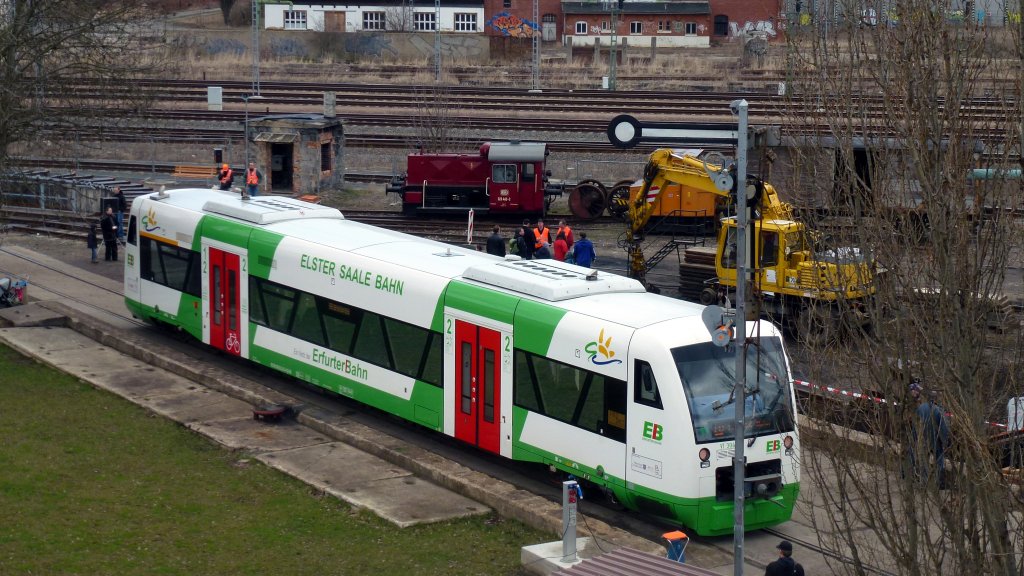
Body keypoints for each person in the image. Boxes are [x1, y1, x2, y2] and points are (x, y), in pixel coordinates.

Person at [909, 380, 951, 488]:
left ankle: (924, 481)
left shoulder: (920, 408)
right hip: (935, 437)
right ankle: (939, 482)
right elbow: (944, 426)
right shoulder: (938, 410)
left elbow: (915, 425)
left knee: (923, 458)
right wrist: (946, 441)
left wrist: (915, 437)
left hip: (922, 436)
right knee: (939, 458)